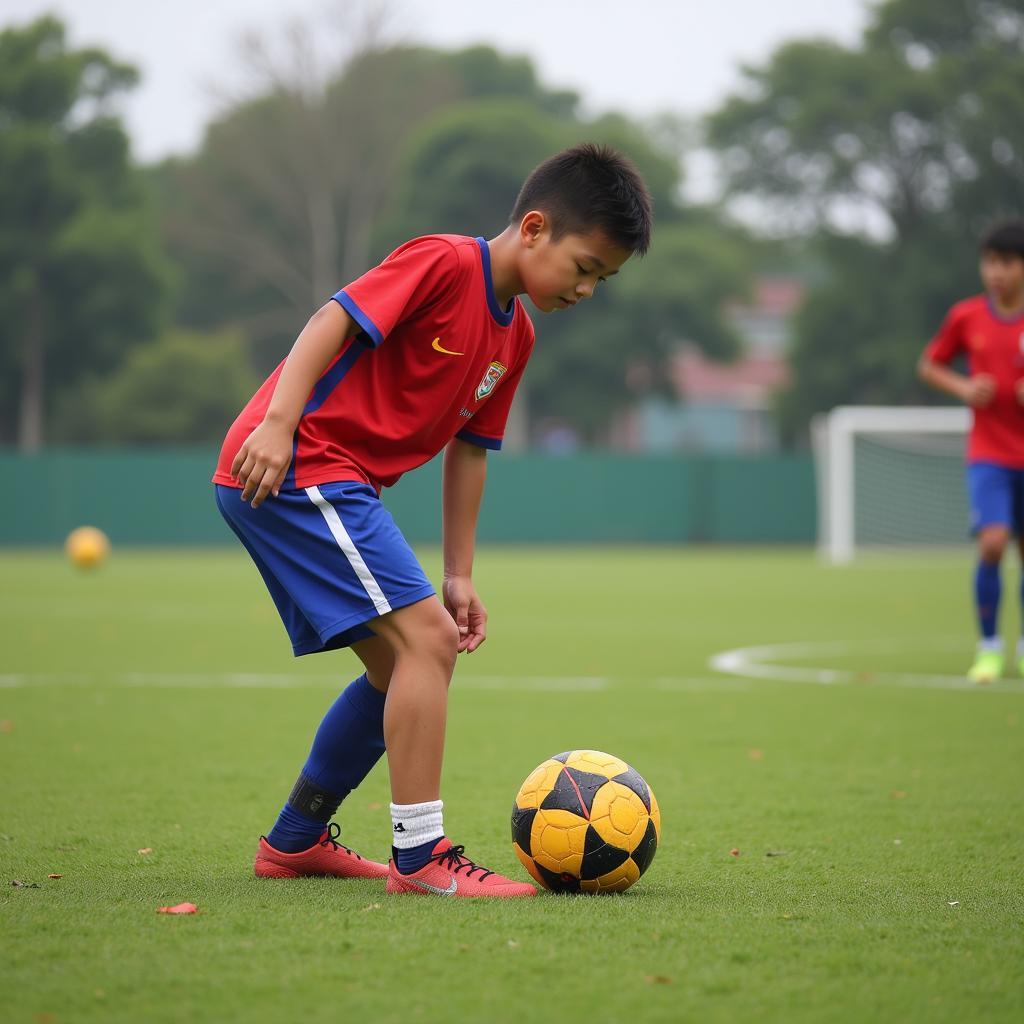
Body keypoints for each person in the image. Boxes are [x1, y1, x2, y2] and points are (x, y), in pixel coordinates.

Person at [212, 144, 652, 896]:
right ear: (536, 228)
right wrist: (281, 421)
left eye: (601, 281)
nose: (586, 289)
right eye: (584, 267)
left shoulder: (517, 338)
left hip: (339, 483)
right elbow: (332, 320)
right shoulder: (446, 262)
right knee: (427, 644)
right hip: (296, 464)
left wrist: (459, 575)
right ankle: (420, 858)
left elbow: (470, 453)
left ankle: (294, 840)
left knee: (400, 669)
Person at [918, 220, 1024, 683]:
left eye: (1006, 262)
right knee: (993, 542)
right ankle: (989, 647)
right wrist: (964, 386)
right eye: (989, 262)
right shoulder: (967, 317)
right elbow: (930, 364)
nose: (996, 272)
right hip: (989, 454)